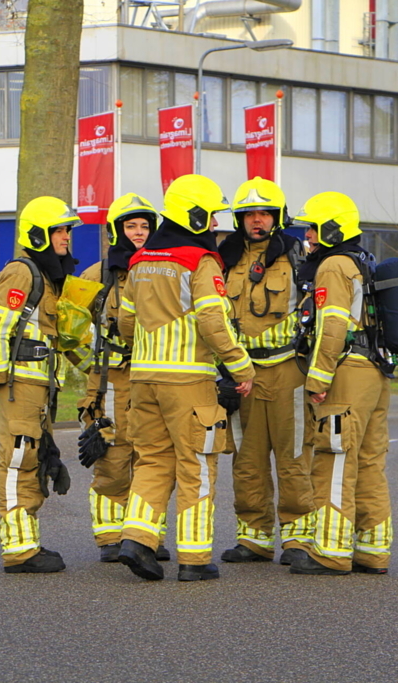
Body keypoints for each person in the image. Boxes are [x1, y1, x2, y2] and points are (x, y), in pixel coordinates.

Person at [116, 174, 255, 582]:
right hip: (189, 381)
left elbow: (125, 323)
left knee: (152, 460)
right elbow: (213, 321)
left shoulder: (139, 261)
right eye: (210, 216)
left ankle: (136, 540)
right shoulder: (201, 261)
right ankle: (194, 560)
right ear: (193, 217)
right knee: (197, 465)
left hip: (143, 378)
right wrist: (240, 366)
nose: (215, 224)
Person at [289, 191, 392, 576]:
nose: (308, 236)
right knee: (369, 463)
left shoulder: (333, 265)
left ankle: (330, 552)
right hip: (373, 372)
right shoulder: (362, 261)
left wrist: (318, 378)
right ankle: (373, 551)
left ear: (332, 230)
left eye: (313, 228)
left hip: (346, 374)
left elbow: (332, 325)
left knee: (333, 461)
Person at [0, 196, 80, 574]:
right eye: (59, 230)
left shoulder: (48, 276)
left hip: (39, 388)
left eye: (67, 230)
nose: (66, 236)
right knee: (18, 461)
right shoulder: (23, 272)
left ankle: (27, 541)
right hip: (20, 385)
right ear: (39, 234)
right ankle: (18, 551)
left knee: (34, 460)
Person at [217, 177, 313, 565]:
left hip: (288, 370)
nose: (257, 220)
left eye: (265, 213)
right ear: (239, 219)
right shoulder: (223, 258)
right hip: (243, 374)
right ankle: (254, 538)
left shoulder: (296, 256)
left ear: (277, 217)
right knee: (247, 460)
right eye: (250, 214)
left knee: (293, 457)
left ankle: (298, 539)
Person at [74, 193, 171, 563]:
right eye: (131, 226)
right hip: (110, 381)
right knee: (113, 458)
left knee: (152, 457)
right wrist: (91, 366)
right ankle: (110, 537)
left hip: (152, 377)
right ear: (117, 231)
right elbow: (68, 329)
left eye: (145, 226)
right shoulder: (94, 276)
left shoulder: (163, 271)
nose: (139, 232)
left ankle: (146, 536)